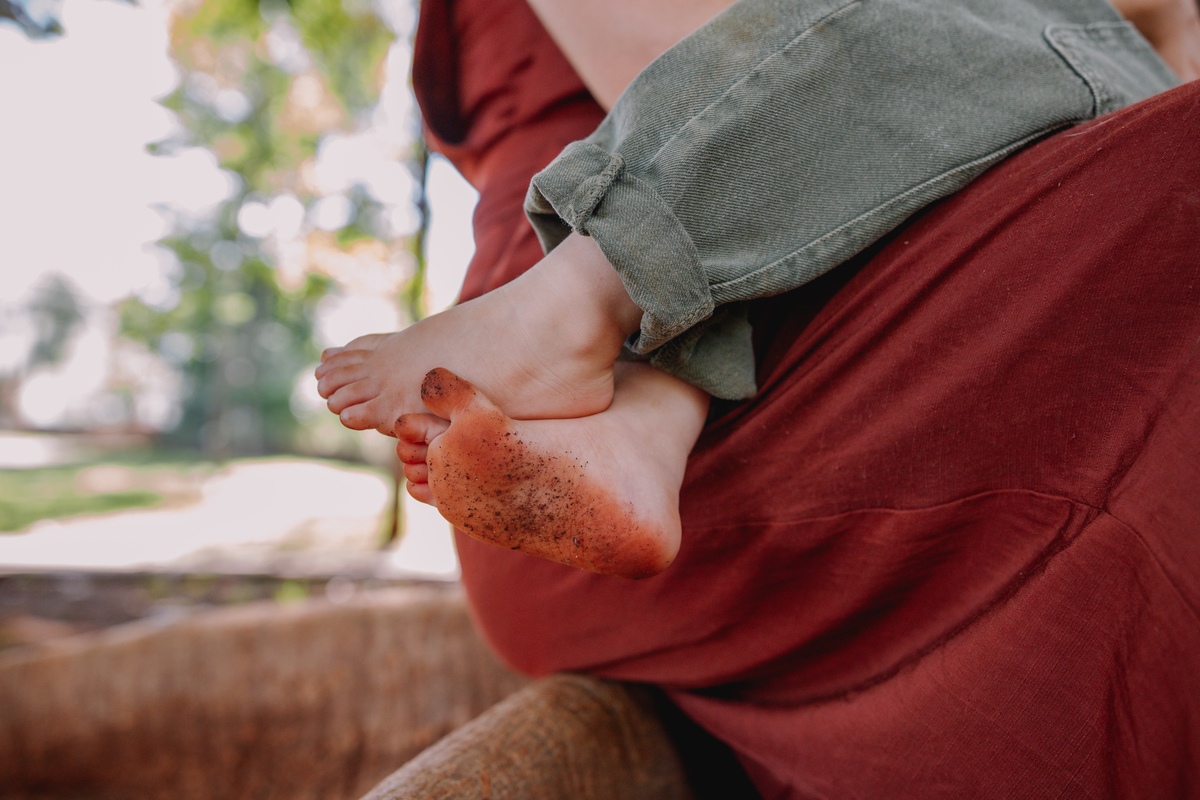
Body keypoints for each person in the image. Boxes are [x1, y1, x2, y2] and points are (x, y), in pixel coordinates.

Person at [316, 0, 1200, 795]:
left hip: (595, 441)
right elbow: (729, 61)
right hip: (691, 421)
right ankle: (581, 306)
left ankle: (640, 417)